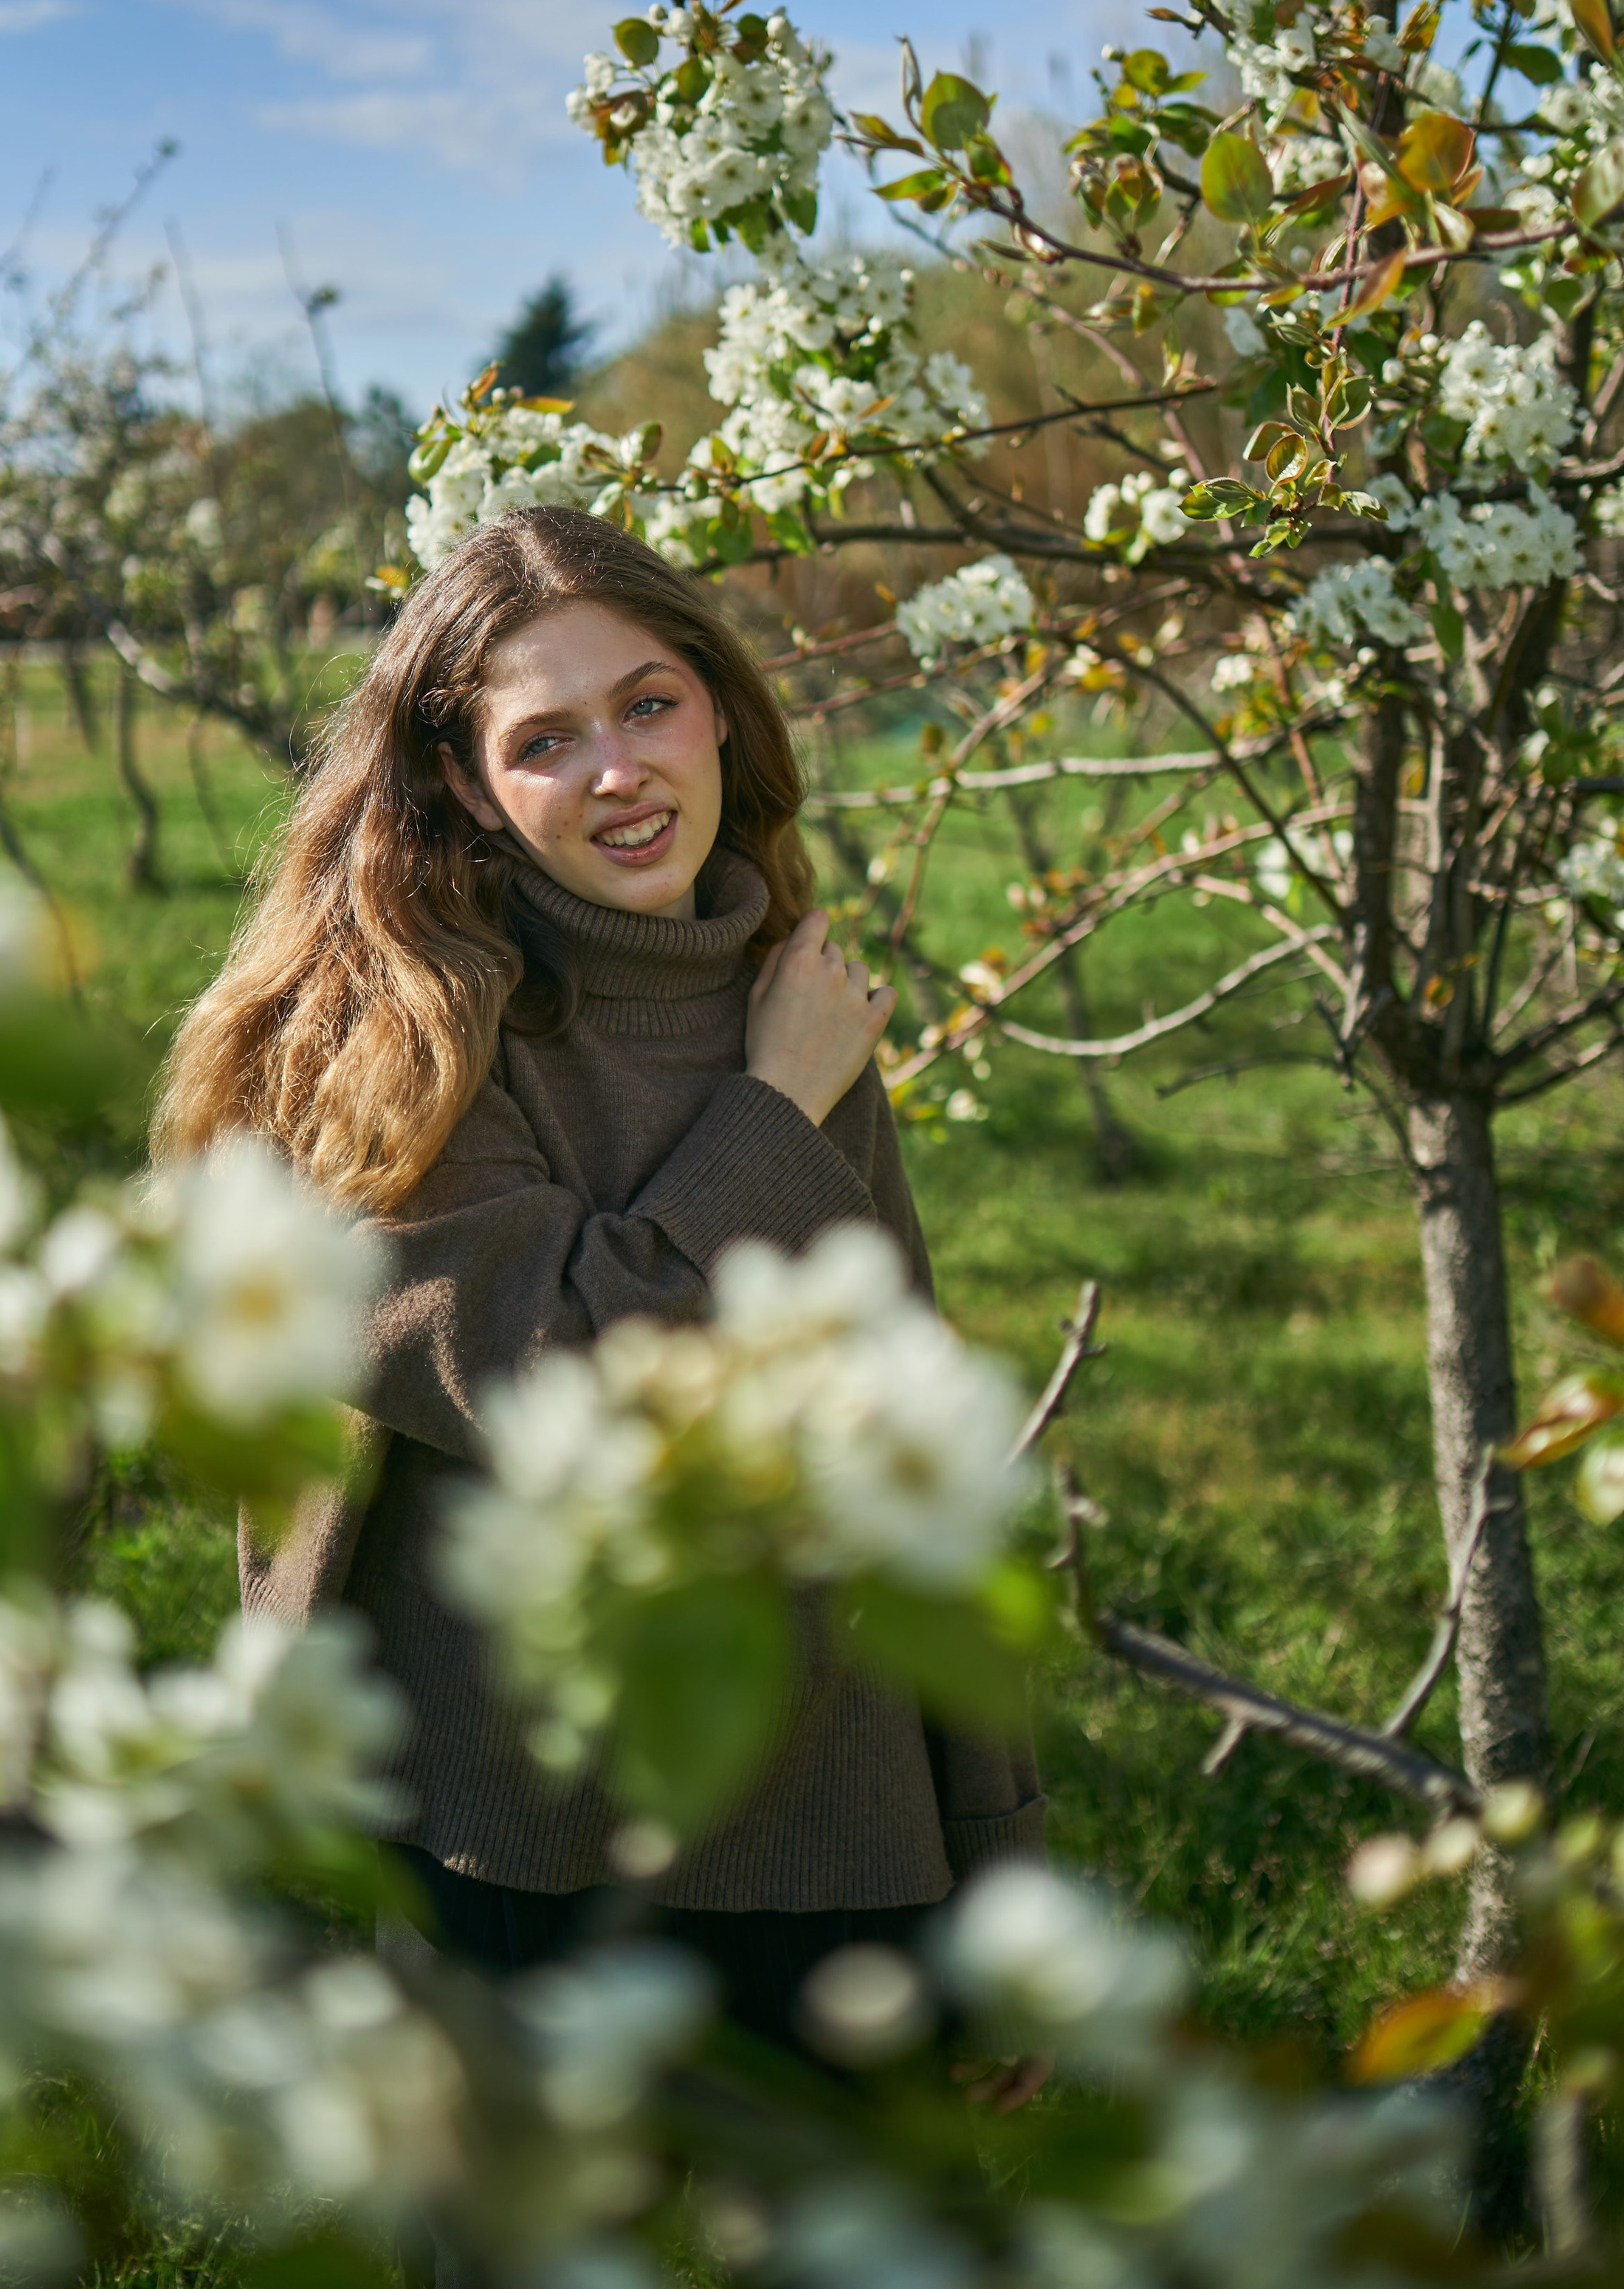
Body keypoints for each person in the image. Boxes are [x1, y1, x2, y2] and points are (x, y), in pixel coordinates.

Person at [154, 505, 1044, 2057]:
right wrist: (771, 1118)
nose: (619, 770)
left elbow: (911, 1448)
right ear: (463, 781)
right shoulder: (396, 1045)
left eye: (646, 703)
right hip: (513, 1836)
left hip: (825, 1817)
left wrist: (991, 1843)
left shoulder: (789, 1004)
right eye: (545, 739)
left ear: (716, 710)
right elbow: (552, 1378)